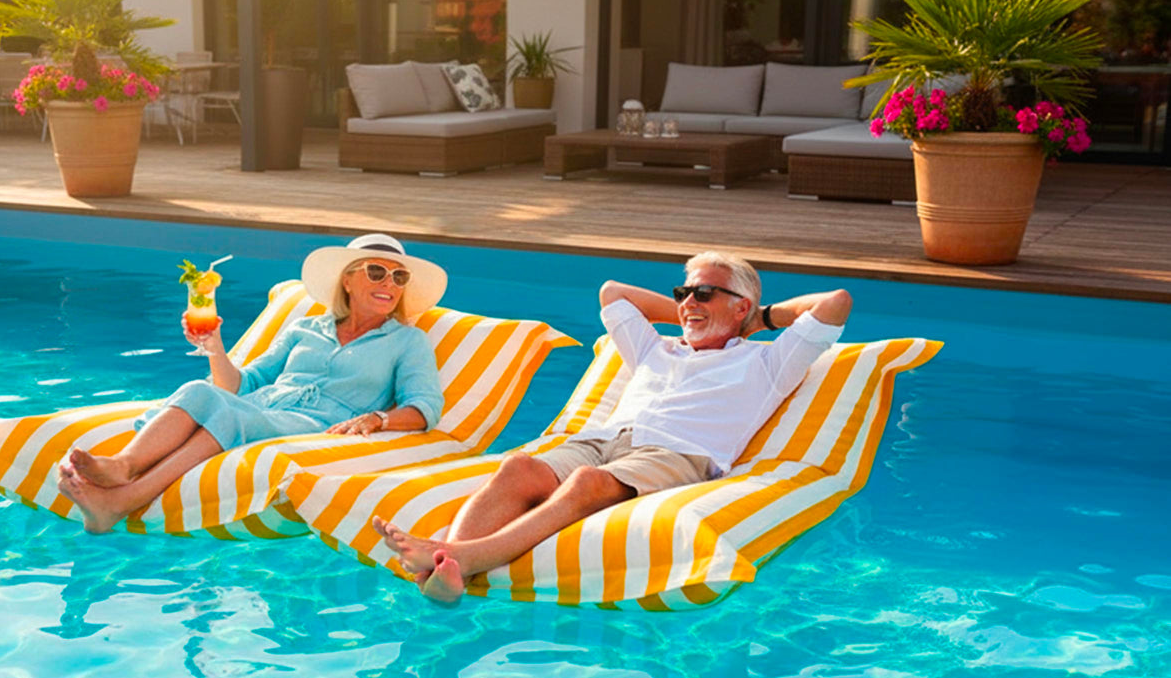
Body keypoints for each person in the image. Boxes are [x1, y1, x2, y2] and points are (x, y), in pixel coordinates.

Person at [373, 250, 852, 602]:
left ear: (742, 306)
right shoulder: (656, 348)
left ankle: (458, 557)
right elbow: (612, 292)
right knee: (518, 468)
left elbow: (835, 302)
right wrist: (698, 311)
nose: (687, 303)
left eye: (704, 292)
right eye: (683, 293)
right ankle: (446, 569)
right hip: (603, 440)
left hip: (676, 454)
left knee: (586, 483)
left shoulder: (766, 363)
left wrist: (758, 320)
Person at [59, 233, 448, 533]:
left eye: (399, 276)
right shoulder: (305, 328)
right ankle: (123, 465)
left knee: (227, 412)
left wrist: (378, 419)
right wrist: (214, 348)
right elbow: (243, 383)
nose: (390, 284)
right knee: (200, 390)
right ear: (347, 281)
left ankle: (123, 499)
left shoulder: (406, 340)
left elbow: (424, 407)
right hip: (264, 404)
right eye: (377, 272)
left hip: (316, 421)